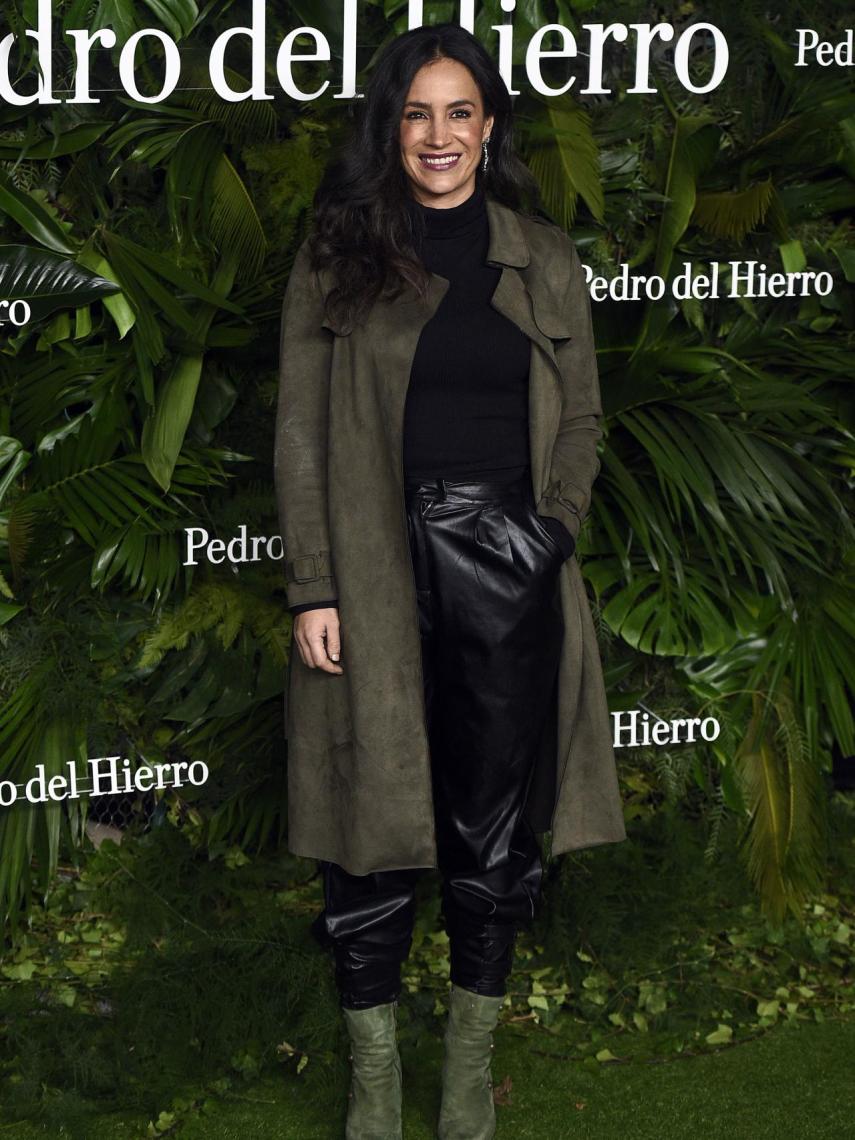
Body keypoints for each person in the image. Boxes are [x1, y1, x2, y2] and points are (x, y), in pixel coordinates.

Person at [274, 22, 626, 1140]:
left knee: (491, 837)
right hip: (376, 570)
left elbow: (582, 416)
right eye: (417, 113)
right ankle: (375, 1089)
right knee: (368, 829)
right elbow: (297, 434)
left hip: (509, 571)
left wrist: (552, 535)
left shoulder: (542, 253)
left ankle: (465, 1082)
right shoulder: (339, 254)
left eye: (460, 112)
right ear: (392, 127)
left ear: (489, 125)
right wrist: (316, 586)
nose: (439, 136)